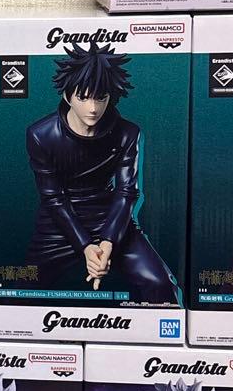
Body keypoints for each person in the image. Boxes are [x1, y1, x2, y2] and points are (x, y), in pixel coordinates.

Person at [25, 42, 179, 303]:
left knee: (160, 284)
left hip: (110, 217)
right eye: (83, 98)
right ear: (67, 96)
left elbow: (127, 192)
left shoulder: (128, 133)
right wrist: (86, 246)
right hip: (59, 223)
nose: (93, 108)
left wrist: (108, 241)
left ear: (111, 97)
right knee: (22, 289)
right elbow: (53, 198)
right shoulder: (40, 135)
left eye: (101, 98)